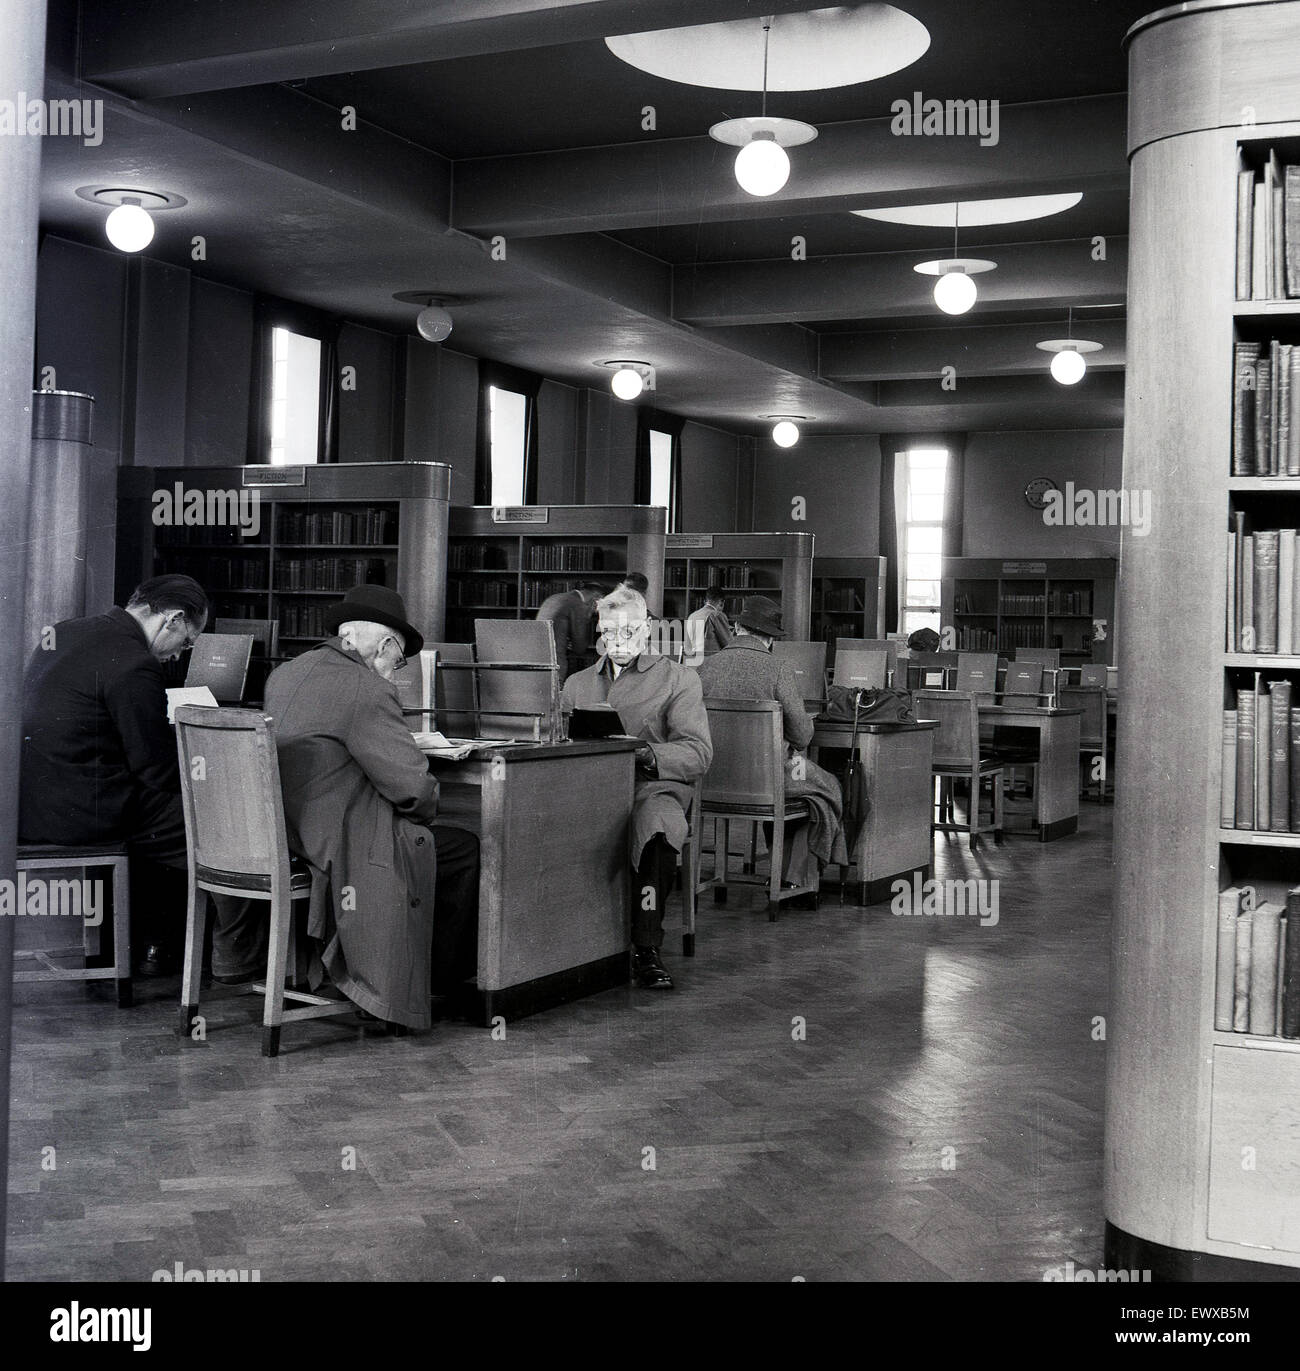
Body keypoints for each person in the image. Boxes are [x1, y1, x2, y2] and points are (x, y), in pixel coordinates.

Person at [262, 584, 480, 1030]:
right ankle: (429, 985)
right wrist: (423, 804)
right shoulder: (367, 688)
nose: (393, 672)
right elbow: (414, 790)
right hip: (334, 843)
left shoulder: (284, 674)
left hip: (283, 834)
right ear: (383, 645)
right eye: (397, 661)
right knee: (462, 847)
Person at [19, 574, 253, 978]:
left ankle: (155, 945)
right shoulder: (134, 663)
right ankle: (232, 959)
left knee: (173, 816)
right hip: (83, 811)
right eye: (186, 642)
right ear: (173, 620)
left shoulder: (64, 632)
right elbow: (156, 769)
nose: (179, 654)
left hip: (32, 802)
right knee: (223, 824)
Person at [561, 584, 712, 990]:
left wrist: (650, 754)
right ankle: (564, 945)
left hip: (653, 788)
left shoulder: (679, 678)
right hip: (590, 788)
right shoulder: (576, 683)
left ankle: (646, 947)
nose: (617, 641)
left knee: (657, 826)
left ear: (648, 630)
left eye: (628, 632)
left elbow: (698, 753)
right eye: (608, 633)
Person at [695, 596, 848, 893]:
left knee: (802, 782)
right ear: (770, 639)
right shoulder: (777, 668)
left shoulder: (704, 668)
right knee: (823, 786)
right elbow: (803, 737)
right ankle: (794, 877)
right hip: (767, 780)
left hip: (711, 779)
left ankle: (787, 873)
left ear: (737, 627)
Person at [535, 581, 604, 681]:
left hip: (535, 656)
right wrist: (587, 618)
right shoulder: (579, 605)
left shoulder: (557, 597)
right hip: (555, 660)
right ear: (596, 599)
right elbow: (579, 648)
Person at [686, 584, 733, 657]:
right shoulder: (717, 615)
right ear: (721, 602)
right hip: (711, 661)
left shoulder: (692, 616)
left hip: (692, 661)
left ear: (705, 601)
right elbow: (728, 644)